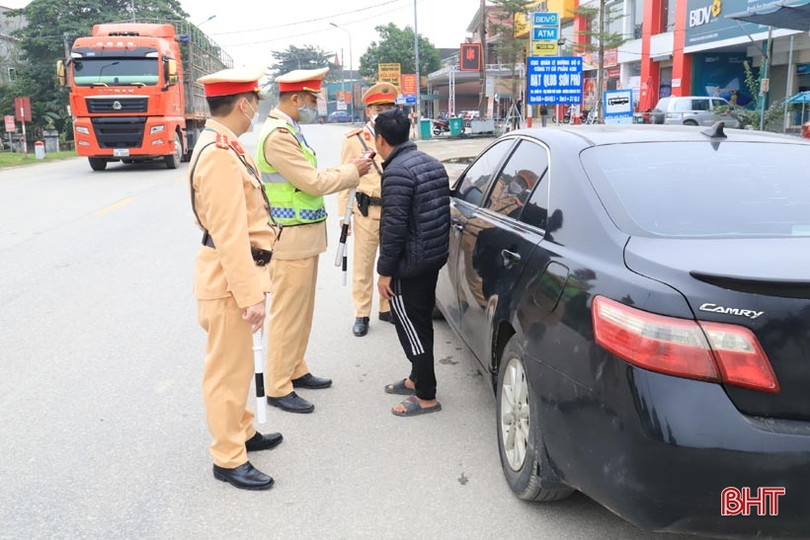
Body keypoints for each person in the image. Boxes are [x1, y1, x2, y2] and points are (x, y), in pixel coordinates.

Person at [190, 66, 283, 491]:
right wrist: (251, 296)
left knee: (241, 365)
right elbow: (229, 235)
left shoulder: (226, 145)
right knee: (227, 373)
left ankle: (243, 431)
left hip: (238, 274)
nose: (255, 113)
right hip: (229, 280)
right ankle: (227, 456)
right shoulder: (218, 155)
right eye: (255, 105)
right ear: (243, 104)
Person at [257, 67, 371, 414]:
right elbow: (313, 182)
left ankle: (295, 368)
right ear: (295, 99)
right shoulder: (278, 135)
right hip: (288, 238)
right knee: (288, 314)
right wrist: (352, 171)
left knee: (302, 313)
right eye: (310, 100)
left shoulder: (292, 129)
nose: (314, 105)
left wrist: (348, 167)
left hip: (303, 237)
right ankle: (277, 385)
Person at [374, 108, 450, 417]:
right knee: (420, 323)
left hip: (409, 264)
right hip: (431, 259)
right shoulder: (430, 163)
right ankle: (416, 377)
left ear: (380, 139)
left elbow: (394, 228)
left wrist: (385, 272)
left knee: (410, 328)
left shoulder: (396, 172)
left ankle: (426, 395)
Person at [337, 82, 398, 337]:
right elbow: (345, 177)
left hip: (394, 210)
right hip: (366, 211)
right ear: (368, 111)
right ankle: (361, 313)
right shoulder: (354, 140)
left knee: (391, 262)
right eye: (379, 107)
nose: (383, 112)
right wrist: (344, 215)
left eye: (388, 107)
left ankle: (386, 308)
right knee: (363, 264)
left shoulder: (399, 135)